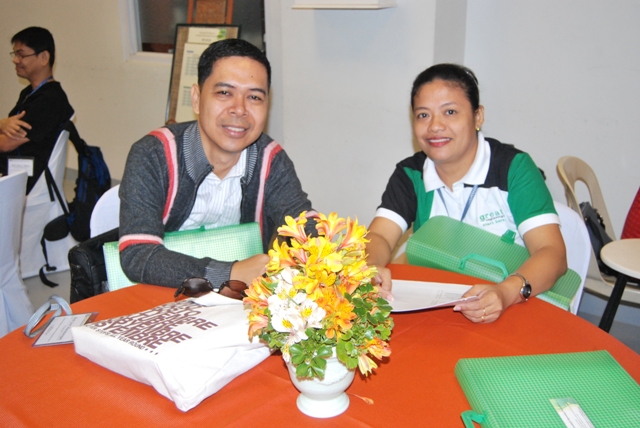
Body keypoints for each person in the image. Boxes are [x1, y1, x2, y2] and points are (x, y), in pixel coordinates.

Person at [366, 63, 567, 323]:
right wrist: (370, 268)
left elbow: (552, 253)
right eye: (423, 115)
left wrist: (505, 292)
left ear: (478, 116)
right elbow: (380, 235)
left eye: (450, 112)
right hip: (438, 306)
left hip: (512, 303)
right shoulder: (411, 174)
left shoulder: (513, 168)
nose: (435, 126)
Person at [118, 38, 316, 296]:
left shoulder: (270, 159)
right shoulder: (153, 155)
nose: (239, 110)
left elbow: (302, 223)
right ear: (197, 99)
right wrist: (228, 273)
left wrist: (339, 253)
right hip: (162, 295)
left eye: (254, 97)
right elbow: (138, 254)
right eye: (224, 93)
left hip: (239, 303)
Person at [0, 27, 74, 194]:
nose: (15, 60)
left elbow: (6, 144)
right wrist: (3, 125)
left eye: (21, 55)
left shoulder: (50, 100)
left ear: (44, 57)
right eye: (15, 54)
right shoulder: (29, 93)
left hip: (25, 181)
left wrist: (2, 125)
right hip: (13, 173)